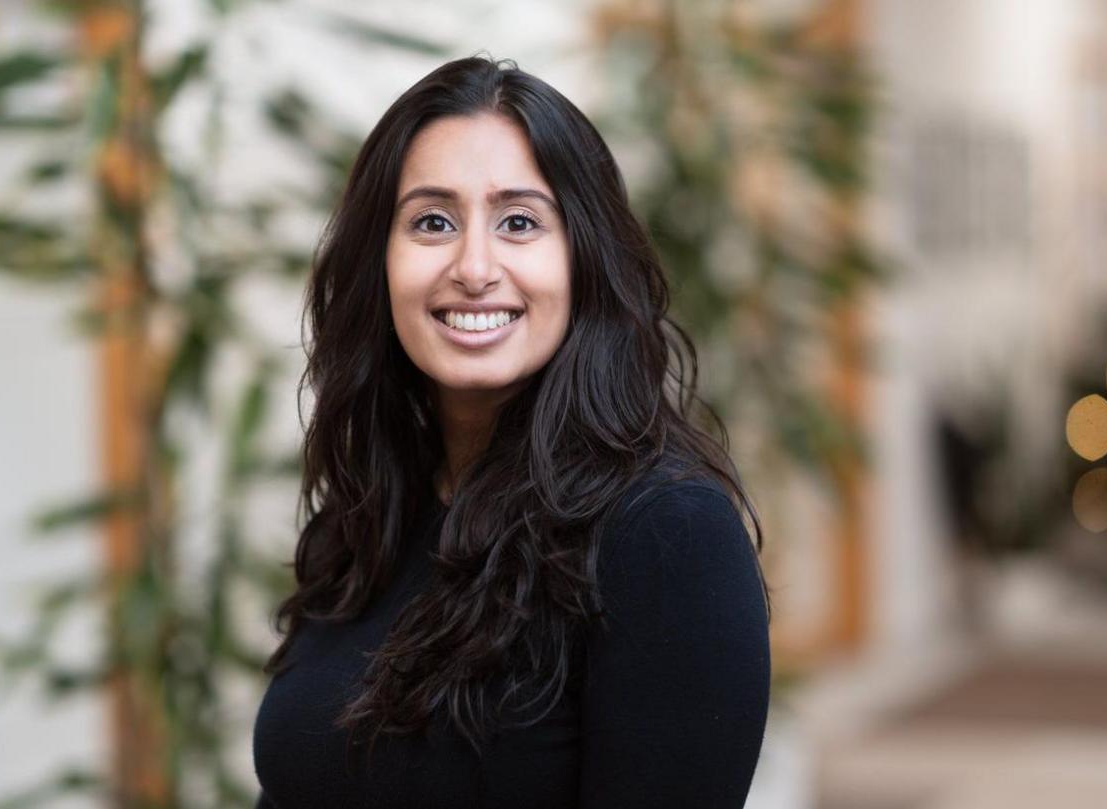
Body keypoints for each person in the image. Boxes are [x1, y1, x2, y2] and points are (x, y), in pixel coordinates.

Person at [252, 54, 771, 808]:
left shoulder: (665, 533)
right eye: (432, 220)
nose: (473, 265)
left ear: (584, 260)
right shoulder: (373, 510)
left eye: (520, 222)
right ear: (381, 261)